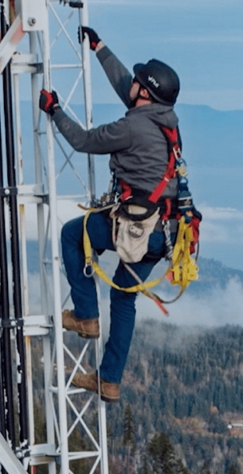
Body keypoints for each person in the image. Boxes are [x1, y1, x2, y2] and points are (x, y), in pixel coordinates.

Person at [38, 26, 181, 403]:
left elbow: (84, 140)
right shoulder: (166, 120)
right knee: (123, 297)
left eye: (138, 82)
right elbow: (128, 89)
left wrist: (54, 110)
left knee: (73, 235)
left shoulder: (133, 127)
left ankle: (86, 315)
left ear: (145, 92)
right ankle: (109, 380)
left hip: (137, 227)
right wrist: (100, 49)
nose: (131, 84)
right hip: (165, 231)